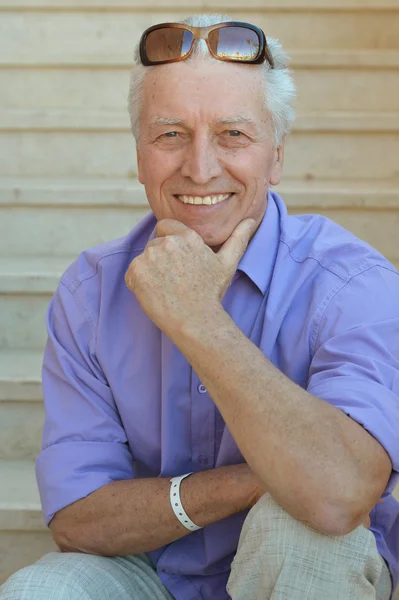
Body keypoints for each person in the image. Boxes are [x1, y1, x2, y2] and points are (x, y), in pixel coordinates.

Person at [1, 13, 398, 600]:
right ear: (140, 157)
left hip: (310, 555)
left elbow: (338, 496)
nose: (201, 166)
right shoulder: (90, 292)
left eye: (233, 135)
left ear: (277, 157)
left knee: (300, 534)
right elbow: (78, 517)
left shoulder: (352, 282)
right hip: (151, 571)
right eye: (170, 134)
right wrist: (259, 479)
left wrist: (199, 320)